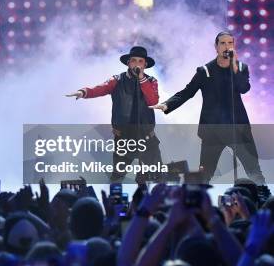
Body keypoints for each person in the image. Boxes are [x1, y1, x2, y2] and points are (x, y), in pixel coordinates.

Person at [151, 31, 265, 184]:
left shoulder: (241, 67)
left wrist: (234, 67)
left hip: (238, 128)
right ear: (216, 47)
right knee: (205, 174)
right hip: (213, 130)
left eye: (230, 43)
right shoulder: (205, 71)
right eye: (223, 43)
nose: (227, 46)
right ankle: (198, 204)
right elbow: (187, 92)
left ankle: (264, 202)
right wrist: (167, 104)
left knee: (254, 170)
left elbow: (243, 88)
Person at [66, 46, 162, 182]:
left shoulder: (151, 81)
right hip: (123, 139)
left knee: (155, 177)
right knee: (117, 178)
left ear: (145, 65)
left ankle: (148, 200)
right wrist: (84, 92)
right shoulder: (117, 80)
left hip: (147, 139)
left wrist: (141, 79)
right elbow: (101, 88)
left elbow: (153, 100)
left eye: (141, 61)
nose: (137, 64)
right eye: (134, 60)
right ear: (128, 63)